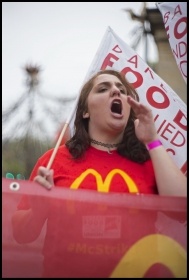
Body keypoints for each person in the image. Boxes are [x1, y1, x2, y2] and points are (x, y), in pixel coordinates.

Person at [11, 69, 187, 277]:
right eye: (103, 89)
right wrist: (38, 209)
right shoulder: (54, 160)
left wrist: (152, 140)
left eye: (122, 90)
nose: (116, 91)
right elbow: (21, 234)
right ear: (85, 111)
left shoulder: (150, 160)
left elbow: (181, 209)